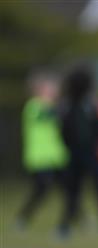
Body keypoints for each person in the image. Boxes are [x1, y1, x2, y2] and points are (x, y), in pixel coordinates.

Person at [57, 65, 98, 237]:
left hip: (85, 154)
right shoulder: (77, 104)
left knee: (85, 192)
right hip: (80, 154)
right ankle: (64, 227)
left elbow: (97, 127)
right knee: (76, 193)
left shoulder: (84, 104)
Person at [17, 71, 68, 228]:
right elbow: (45, 116)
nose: (53, 90)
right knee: (42, 189)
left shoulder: (53, 107)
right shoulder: (33, 106)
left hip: (56, 155)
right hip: (39, 156)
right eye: (50, 87)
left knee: (69, 188)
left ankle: (77, 218)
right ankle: (23, 218)